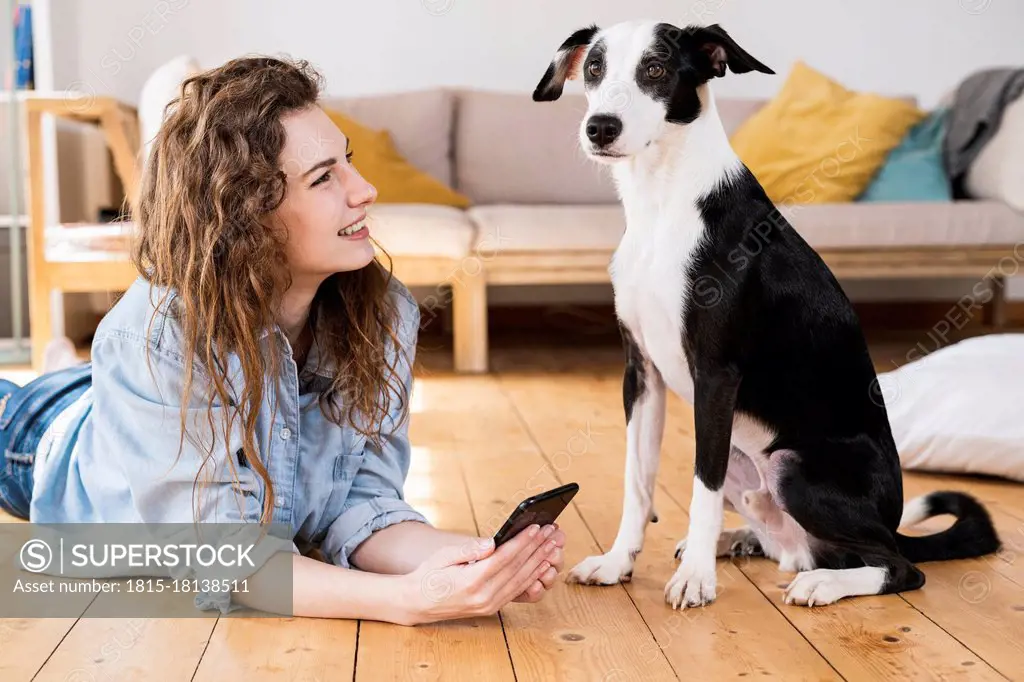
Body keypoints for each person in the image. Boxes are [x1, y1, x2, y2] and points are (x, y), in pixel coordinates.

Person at [0, 56, 565, 625]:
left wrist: (470, 562)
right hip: (44, 439)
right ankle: (67, 377)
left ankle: (76, 370)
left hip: (140, 396)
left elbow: (361, 503)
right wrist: (403, 601)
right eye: (324, 177)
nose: (364, 189)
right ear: (247, 216)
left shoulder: (386, 309)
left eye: (347, 162)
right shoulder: (154, 336)